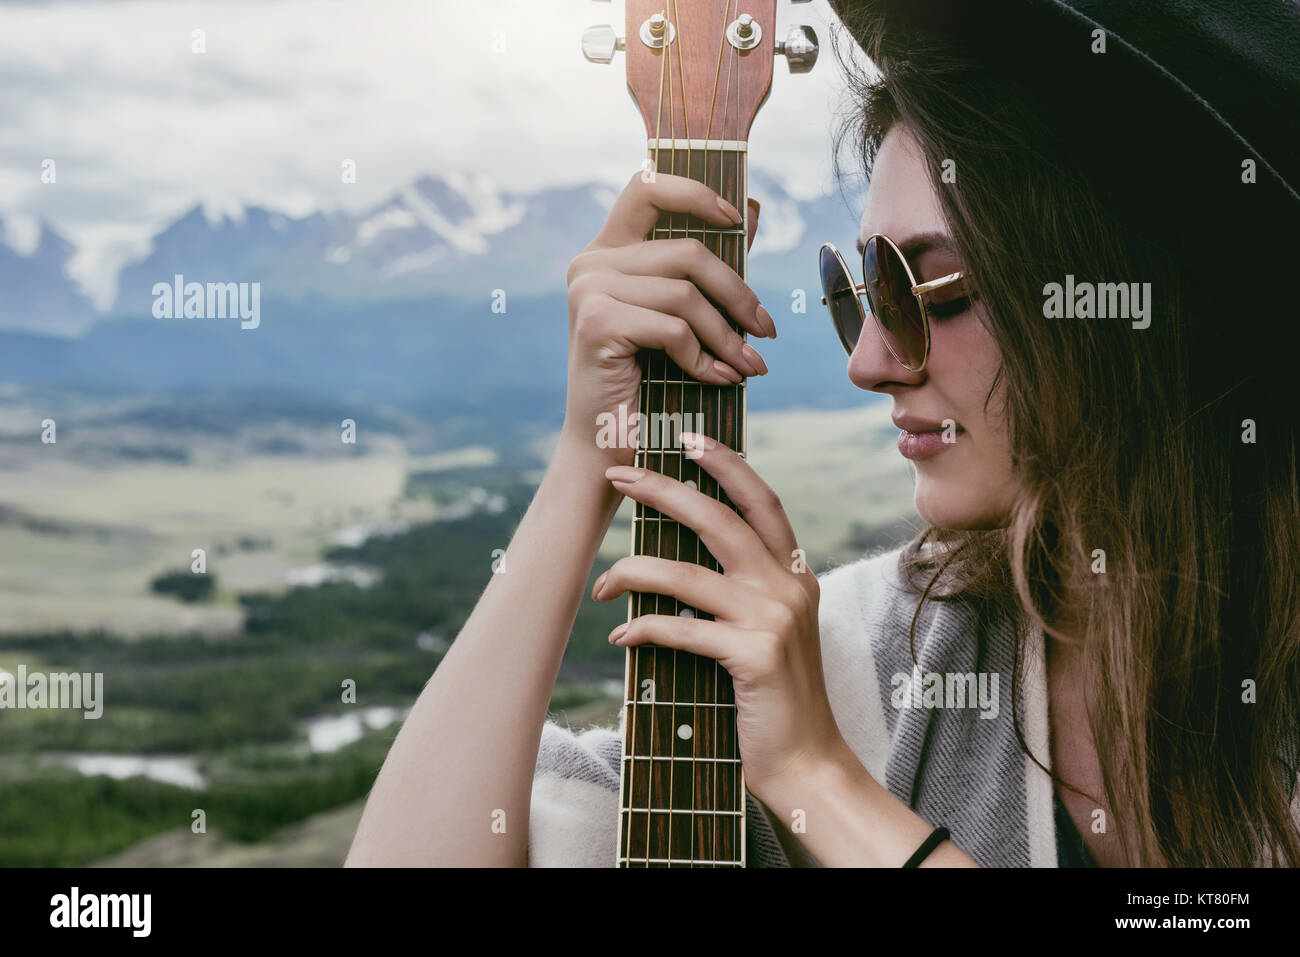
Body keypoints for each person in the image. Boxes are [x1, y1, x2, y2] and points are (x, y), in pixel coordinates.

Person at [345, 0, 1300, 867]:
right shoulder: (868, 657)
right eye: (859, 292)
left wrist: (822, 781)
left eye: (931, 291)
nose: (871, 360)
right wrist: (588, 455)